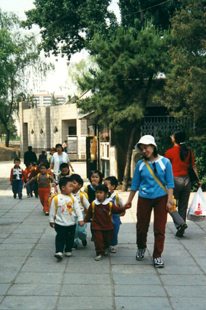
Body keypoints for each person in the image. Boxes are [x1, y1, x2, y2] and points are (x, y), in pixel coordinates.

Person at [125, 135, 174, 268]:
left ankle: (157, 255)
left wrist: (170, 201)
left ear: (153, 147)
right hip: (144, 198)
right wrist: (129, 200)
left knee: (159, 228)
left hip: (161, 198)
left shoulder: (165, 162)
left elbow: (170, 183)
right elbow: (135, 184)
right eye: (141, 149)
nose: (144, 151)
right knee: (141, 227)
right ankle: (141, 247)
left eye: (145, 147)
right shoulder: (140, 164)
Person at [165, 130, 202, 237]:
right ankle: (181, 227)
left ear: (174, 139)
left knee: (170, 204)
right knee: (183, 206)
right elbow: (193, 166)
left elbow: (165, 169)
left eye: (172, 136)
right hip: (186, 181)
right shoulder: (189, 151)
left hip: (174, 181)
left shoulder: (169, 152)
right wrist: (198, 180)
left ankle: (180, 224)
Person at [84, 184, 131, 261]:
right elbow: (89, 214)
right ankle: (98, 253)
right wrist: (84, 221)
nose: (98, 194)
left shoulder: (109, 204)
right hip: (96, 226)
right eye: (97, 192)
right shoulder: (93, 204)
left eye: (100, 192)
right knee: (98, 240)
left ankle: (105, 248)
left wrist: (124, 207)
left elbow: (116, 210)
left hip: (108, 226)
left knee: (107, 239)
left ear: (106, 194)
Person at [49, 177, 84, 260]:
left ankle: (68, 250)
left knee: (70, 238)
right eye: (70, 186)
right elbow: (52, 210)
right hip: (60, 223)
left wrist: (80, 219)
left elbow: (78, 210)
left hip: (71, 223)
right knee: (60, 237)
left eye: (72, 186)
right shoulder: (56, 198)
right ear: (63, 187)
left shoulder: (73, 198)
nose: (72, 188)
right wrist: (51, 220)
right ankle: (59, 251)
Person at [104, 176, 125, 253]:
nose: (104, 186)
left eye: (106, 185)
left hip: (115, 217)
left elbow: (122, 206)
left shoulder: (116, 197)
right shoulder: (104, 195)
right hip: (105, 216)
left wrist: (121, 212)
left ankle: (112, 245)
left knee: (114, 231)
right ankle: (105, 244)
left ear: (113, 186)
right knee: (105, 231)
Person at [70, 174, 90, 248]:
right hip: (72, 216)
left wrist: (90, 216)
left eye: (74, 183)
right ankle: (75, 243)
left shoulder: (82, 195)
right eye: (71, 183)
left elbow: (88, 206)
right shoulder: (68, 194)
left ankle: (83, 238)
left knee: (80, 230)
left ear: (80, 185)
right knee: (74, 231)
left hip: (81, 215)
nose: (72, 184)